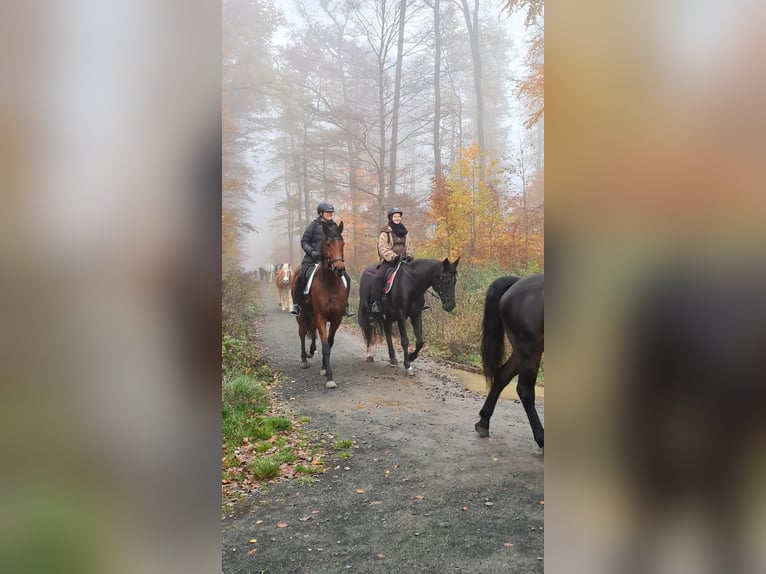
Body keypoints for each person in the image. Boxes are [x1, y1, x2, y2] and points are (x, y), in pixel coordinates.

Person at [290, 202, 354, 317]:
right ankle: (297, 304)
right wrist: (312, 252)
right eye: (327, 212)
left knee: (347, 279)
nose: (330, 214)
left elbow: (337, 244)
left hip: (329, 261)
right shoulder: (313, 225)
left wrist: (337, 257)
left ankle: (345, 306)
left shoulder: (334, 226)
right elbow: (304, 241)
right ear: (321, 213)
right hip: (312, 259)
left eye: (331, 212)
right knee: (300, 277)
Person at [369, 207, 428, 314]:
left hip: (405, 262)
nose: (397, 218)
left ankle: (419, 302)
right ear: (391, 218)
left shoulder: (405, 232)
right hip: (390, 262)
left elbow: (410, 246)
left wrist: (409, 255)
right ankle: (376, 302)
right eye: (395, 216)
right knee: (378, 277)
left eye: (399, 216)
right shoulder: (385, 232)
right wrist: (394, 257)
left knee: (417, 277)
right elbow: (382, 248)